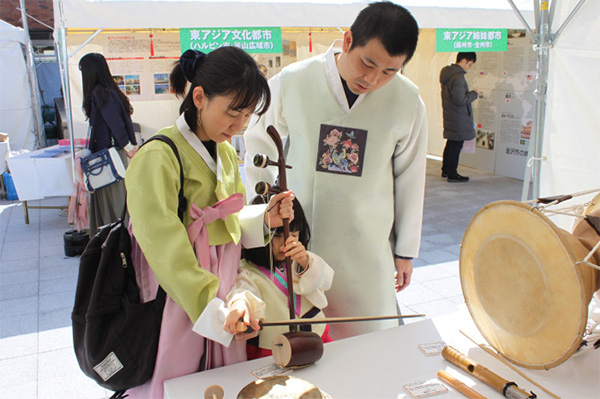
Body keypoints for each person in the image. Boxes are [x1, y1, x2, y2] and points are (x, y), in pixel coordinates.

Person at [244, 1, 428, 340]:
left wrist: (405, 252)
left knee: (370, 337)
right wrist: (261, 220)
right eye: (367, 63)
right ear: (347, 41)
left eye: (390, 71)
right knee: (305, 336)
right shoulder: (295, 81)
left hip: (367, 243)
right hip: (300, 235)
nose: (372, 79)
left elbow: (411, 177)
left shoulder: (407, 100)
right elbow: (257, 140)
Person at [124, 47, 294, 398]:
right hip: (178, 292)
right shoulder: (157, 156)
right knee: (178, 374)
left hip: (224, 284)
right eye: (233, 113)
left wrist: (264, 216)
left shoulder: (227, 151)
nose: (240, 126)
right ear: (199, 97)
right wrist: (212, 305)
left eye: (248, 115)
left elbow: (226, 222)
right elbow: (164, 249)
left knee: (223, 378)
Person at [223, 195, 334, 359]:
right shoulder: (247, 270)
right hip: (274, 348)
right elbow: (244, 291)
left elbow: (325, 281)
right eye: (277, 236)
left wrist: (305, 261)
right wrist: (241, 303)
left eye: (294, 235)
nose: (286, 243)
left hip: (317, 336)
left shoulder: (301, 259)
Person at [79, 53, 137, 234]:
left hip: (108, 156)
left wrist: (129, 148)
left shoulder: (100, 93)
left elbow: (115, 124)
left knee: (112, 201)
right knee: (117, 200)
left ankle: (116, 242)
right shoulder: (110, 91)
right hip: (113, 154)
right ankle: (118, 240)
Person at [440, 52, 479, 183]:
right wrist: (474, 94)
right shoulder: (458, 77)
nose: (469, 67)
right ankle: (452, 174)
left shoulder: (448, 74)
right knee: (456, 144)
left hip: (451, 115)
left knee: (451, 143)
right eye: (469, 64)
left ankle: (446, 170)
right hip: (458, 116)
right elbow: (460, 99)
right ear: (463, 61)